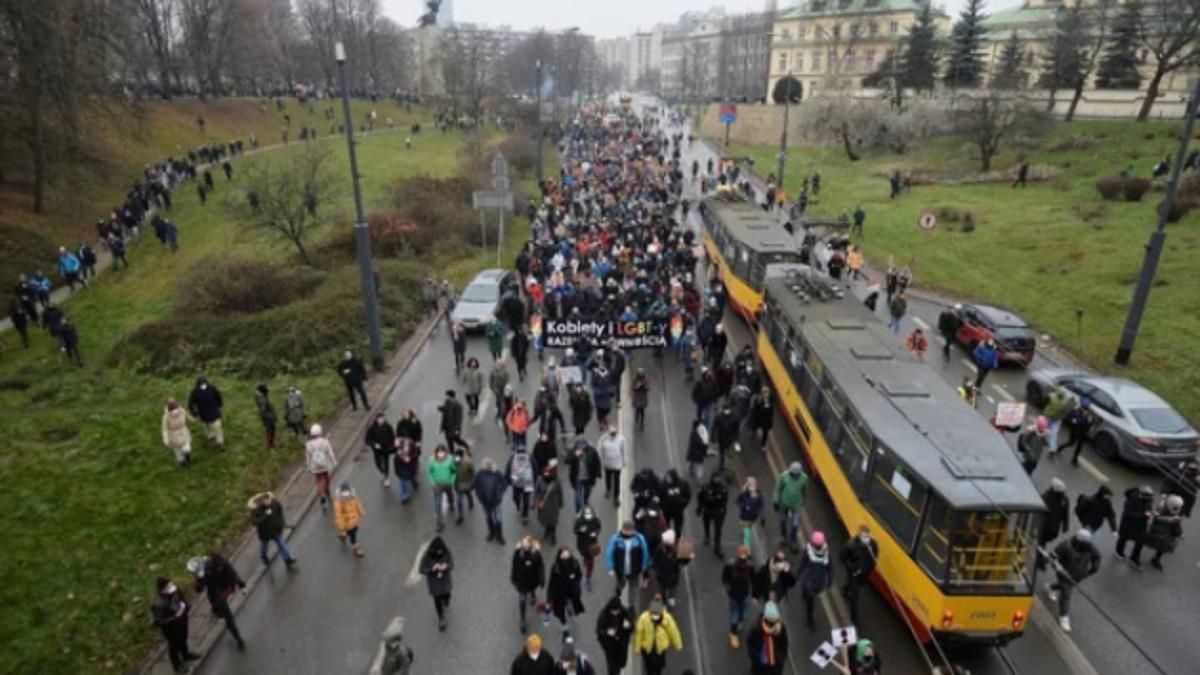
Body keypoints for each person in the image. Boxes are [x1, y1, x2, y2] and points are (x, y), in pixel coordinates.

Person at [1045, 529, 1100, 632]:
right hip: (1064, 574)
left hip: (1079, 575)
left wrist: (1093, 569)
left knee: (1066, 586)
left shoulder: (1089, 546)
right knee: (1066, 593)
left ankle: (1051, 587)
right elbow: (1052, 557)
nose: (1088, 546)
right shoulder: (1065, 546)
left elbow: (1097, 556)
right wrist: (1055, 566)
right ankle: (1064, 616)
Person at [190, 553, 246, 650]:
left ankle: (237, 637)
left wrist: (239, 581)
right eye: (219, 568)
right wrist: (198, 578)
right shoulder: (206, 571)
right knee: (225, 614)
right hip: (216, 595)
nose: (220, 569)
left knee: (227, 617)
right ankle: (237, 636)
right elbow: (199, 589)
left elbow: (232, 572)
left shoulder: (222, 563)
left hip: (224, 590)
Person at [150, 577, 199, 672]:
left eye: (171, 584)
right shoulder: (158, 604)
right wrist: (174, 618)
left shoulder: (175, 592)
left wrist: (186, 607)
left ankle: (186, 655)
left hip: (182, 622)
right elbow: (159, 622)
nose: (172, 587)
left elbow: (182, 599)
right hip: (171, 629)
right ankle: (177, 666)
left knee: (184, 638)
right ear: (162, 589)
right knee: (174, 647)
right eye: (168, 586)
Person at [633, 595, 683, 675]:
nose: (655, 616)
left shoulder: (667, 619)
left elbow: (673, 632)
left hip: (661, 647)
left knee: (660, 665)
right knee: (648, 665)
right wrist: (637, 647)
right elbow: (639, 633)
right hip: (647, 647)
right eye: (653, 614)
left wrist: (678, 644)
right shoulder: (644, 618)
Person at [839, 525, 878, 625]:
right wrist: (852, 568)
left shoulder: (872, 544)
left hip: (865, 573)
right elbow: (843, 557)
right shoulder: (851, 545)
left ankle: (844, 590)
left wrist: (871, 567)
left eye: (867, 536)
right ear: (859, 536)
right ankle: (854, 618)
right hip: (854, 574)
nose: (866, 538)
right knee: (855, 596)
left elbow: (875, 554)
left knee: (853, 585)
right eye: (864, 536)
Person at [248, 491, 297, 567]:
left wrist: (281, 522)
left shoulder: (274, 503)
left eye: (268, 500)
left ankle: (288, 559)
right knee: (264, 545)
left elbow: (280, 510)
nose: (268, 502)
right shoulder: (256, 511)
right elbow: (255, 522)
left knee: (282, 544)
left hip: (276, 529)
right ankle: (263, 556)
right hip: (265, 533)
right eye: (266, 501)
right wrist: (265, 515)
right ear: (262, 501)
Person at [512, 535, 548, 634]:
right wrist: (513, 578)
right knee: (522, 599)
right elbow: (514, 565)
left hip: (532, 579)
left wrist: (542, 579)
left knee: (532, 589)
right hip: (522, 581)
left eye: (526, 544)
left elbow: (541, 567)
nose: (524, 546)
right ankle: (523, 619)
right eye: (523, 544)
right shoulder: (518, 553)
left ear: (531, 545)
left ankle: (532, 594)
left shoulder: (536, 554)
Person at [799, 530, 833, 630]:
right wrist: (797, 575)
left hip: (819, 581)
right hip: (810, 581)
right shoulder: (808, 551)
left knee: (811, 597)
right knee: (810, 602)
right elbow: (803, 563)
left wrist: (830, 579)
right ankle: (810, 619)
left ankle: (805, 594)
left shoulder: (826, 553)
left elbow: (829, 566)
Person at [722, 545, 755, 648]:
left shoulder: (749, 566)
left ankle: (738, 624)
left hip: (743, 594)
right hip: (735, 594)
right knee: (735, 616)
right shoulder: (731, 565)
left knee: (741, 614)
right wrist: (728, 588)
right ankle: (733, 634)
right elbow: (725, 578)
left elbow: (753, 580)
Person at [419, 536, 455, 631]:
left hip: (445, 581)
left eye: (441, 552)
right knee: (437, 600)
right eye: (437, 552)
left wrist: (446, 566)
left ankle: (446, 599)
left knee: (447, 595)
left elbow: (452, 565)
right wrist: (432, 569)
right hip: (434, 583)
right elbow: (421, 570)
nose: (439, 554)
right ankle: (441, 618)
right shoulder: (427, 555)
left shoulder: (447, 551)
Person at [1116, 485, 1156, 569]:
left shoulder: (1147, 500)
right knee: (1123, 538)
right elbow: (1129, 513)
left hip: (1140, 525)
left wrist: (1151, 512)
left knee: (1140, 541)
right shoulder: (1131, 499)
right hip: (1128, 524)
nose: (1149, 501)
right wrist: (1143, 514)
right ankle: (1119, 552)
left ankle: (1134, 558)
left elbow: (1149, 508)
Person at [548, 546, 586, 633]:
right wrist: (549, 597)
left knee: (571, 603)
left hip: (571, 591)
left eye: (567, 554)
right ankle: (565, 629)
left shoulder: (575, 564)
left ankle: (569, 609)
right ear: (559, 555)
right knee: (560, 614)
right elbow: (552, 582)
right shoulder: (556, 567)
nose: (565, 556)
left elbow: (579, 575)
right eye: (563, 555)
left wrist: (575, 583)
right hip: (559, 593)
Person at [605, 520, 650, 594]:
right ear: (623, 529)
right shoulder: (616, 539)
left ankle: (632, 602)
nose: (628, 533)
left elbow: (645, 553)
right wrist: (610, 568)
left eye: (629, 531)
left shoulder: (639, 539)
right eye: (626, 530)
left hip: (635, 570)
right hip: (620, 570)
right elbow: (609, 553)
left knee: (634, 587)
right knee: (620, 583)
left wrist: (644, 567)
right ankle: (619, 591)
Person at [746, 600, 789, 675]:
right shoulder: (757, 628)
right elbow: (750, 643)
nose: (774, 623)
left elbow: (784, 644)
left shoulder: (781, 628)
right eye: (771, 620)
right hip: (760, 664)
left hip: (775, 665)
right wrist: (755, 657)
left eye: (775, 620)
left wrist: (781, 658)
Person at [1144, 494, 1185, 570]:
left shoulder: (1174, 514)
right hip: (1160, 532)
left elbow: (1177, 525)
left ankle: (1157, 558)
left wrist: (1180, 533)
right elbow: (1156, 517)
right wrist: (1169, 520)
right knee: (1159, 545)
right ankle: (1156, 558)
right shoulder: (1162, 509)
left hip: (1166, 534)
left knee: (1163, 547)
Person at [774, 462, 809, 552]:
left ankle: (792, 540)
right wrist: (776, 501)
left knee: (795, 524)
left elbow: (804, 490)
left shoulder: (804, 478)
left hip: (796, 505)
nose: (790, 472)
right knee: (783, 521)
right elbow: (778, 489)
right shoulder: (784, 476)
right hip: (784, 503)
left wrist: (802, 501)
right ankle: (783, 536)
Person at [1037, 478, 1071, 569]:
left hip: (1046, 527)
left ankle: (1040, 559)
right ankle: (1040, 560)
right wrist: (1065, 526)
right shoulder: (1064, 500)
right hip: (1051, 528)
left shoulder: (1046, 497)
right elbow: (1065, 514)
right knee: (1042, 543)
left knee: (1042, 543)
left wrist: (1065, 526)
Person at [596, 596, 634, 675]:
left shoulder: (624, 613)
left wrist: (629, 625)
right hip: (610, 647)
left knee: (621, 663)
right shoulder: (604, 616)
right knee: (612, 668)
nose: (616, 613)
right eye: (614, 611)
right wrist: (607, 633)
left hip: (621, 645)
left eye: (617, 611)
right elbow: (599, 633)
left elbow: (631, 627)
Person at [474, 457, 508, 544]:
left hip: (495, 501)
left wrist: (499, 493)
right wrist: (480, 497)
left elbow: (504, 484)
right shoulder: (479, 474)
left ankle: (498, 535)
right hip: (486, 502)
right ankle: (492, 533)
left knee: (497, 518)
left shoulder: (497, 473)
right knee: (489, 517)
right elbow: (477, 487)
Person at [305, 424, 337, 512]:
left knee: (318, 480)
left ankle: (321, 493)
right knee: (326, 478)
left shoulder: (308, 444)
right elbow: (330, 452)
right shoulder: (325, 441)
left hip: (315, 466)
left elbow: (308, 456)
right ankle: (327, 491)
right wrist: (333, 461)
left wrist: (308, 466)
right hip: (325, 464)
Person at [697, 473, 730, 557]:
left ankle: (717, 547)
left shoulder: (723, 488)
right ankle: (707, 536)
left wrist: (722, 510)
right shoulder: (706, 487)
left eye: (718, 478)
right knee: (706, 524)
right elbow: (700, 497)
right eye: (715, 478)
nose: (717, 480)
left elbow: (725, 500)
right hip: (708, 509)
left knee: (718, 529)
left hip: (718, 511)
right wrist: (700, 508)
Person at [187, 376, 225, 448]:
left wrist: (194, 413)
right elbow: (219, 397)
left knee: (207, 425)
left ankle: (210, 435)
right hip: (215, 413)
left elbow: (190, 404)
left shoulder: (195, 392)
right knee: (218, 428)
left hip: (203, 414)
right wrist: (220, 405)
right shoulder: (212, 388)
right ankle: (220, 441)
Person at [567, 437, 602, 513]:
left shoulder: (592, 451)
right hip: (577, 478)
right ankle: (578, 513)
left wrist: (598, 473)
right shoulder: (573, 451)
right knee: (578, 500)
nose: (580, 448)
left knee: (587, 492)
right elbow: (566, 460)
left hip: (589, 478)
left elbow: (597, 462)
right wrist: (575, 456)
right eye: (578, 446)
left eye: (582, 446)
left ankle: (585, 500)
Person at [428, 444, 458, 532]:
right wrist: (432, 482)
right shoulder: (431, 460)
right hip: (437, 485)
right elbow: (430, 472)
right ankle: (439, 523)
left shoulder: (450, 459)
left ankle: (451, 503)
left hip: (448, 484)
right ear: (436, 452)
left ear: (445, 452)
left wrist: (452, 480)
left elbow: (454, 471)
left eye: (442, 452)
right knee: (437, 505)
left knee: (450, 495)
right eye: (439, 452)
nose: (440, 454)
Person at [334, 481, 366, 557]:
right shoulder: (339, 502)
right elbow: (338, 514)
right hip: (346, 522)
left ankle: (343, 534)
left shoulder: (353, 496)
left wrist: (361, 511)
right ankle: (356, 548)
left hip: (354, 520)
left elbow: (358, 504)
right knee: (353, 534)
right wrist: (341, 525)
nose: (346, 497)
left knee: (354, 529)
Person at [575, 505, 603, 591]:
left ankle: (588, 578)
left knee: (590, 562)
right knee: (585, 555)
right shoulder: (579, 520)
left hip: (591, 544)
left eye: (589, 513)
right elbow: (575, 530)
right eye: (586, 513)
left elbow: (599, 528)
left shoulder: (595, 520)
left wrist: (595, 533)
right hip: (582, 544)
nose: (588, 515)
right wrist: (580, 530)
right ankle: (585, 558)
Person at [365, 413, 397, 487]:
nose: (382, 420)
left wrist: (393, 445)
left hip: (386, 449)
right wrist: (374, 444)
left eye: (383, 419)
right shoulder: (372, 428)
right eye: (380, 419)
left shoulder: (388, 426)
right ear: (377, 419)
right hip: (377, 451)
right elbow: (367, 440)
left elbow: (392, 436)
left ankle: (386, 478)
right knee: (378, 464)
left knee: (386, 464)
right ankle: (382, 472)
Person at [537, 460, 565, 545]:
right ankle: (547, 530)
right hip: (543, 502)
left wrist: (561, 502)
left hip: (553, 503)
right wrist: (535, 502)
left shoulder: (557, 481)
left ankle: (553, 535)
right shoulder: (540, 479)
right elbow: (536, 490)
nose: (546, 474)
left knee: (553, 520)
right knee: (545, 519)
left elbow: (560, 492)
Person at [508, 444, 538, 524]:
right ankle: (525, 516)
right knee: (526, 500)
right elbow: (535, 469)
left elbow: (508, 469)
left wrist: (508, 480)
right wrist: (535, 481)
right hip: (527, 482)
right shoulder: (530, 457)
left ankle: (518, 505)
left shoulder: (513, 458)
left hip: (516, 482)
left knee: (515, 497)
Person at [161, 397, 195, 467]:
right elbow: (164, 429)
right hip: (173, 436)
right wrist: (166, 439)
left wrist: (192, 419)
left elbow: (187, 416)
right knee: (178, 451)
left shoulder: (182, 411)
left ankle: (187, 457)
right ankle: (182, 463)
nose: (175, 412)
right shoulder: (166, 417)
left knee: (187, 448)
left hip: (183, 432)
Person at [598, 424, 627, 504]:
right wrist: (600, 461)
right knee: (608, 477)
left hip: (617, 464)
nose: (613, 434)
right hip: (607, 463)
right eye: (612, 433)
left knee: (617, 481)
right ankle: (608, 489)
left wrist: (624, 461)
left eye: (614, 433)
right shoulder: (603, 439)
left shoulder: (621, 439)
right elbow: (599, 450)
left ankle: (616, 497)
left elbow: (623, 450)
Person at [736, 477, 765, 550]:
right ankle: (747, 551)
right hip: (744, 517)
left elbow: (761, 505)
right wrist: (744, 506)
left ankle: (744, 536)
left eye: (753, 484)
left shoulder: (758, 494)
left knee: (747, 532)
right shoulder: (743, 493)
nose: (752, 486)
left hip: (753, 517)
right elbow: (738, 501)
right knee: (747, 535)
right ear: (747, 485)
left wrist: (762, 517)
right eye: (750, 484)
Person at [1042, 387, 1072, 456]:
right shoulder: (1066, 400)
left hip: (1048, 416)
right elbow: (1068, 409)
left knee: (1045, 429)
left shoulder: (1051, 396)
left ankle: (1043, 438)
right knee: (1054, 434)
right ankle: (1052, 449)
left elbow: (1045, 401)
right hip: (1057, 418)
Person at [1065, 398, 1096, 466]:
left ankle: (1074, 460)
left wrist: (1079, 421)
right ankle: (1060, 448)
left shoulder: (1089, 413)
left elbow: (1090, 422)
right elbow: (1069, 417)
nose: (1085, 408)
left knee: (1079, 447)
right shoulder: (1077, 410)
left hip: (1083, 432)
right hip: (1075, 431)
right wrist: (1075, 420)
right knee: (1071, 443)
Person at [660, 469, 691, 536]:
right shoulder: (663, 484)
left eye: (669, 477)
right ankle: (668, 542)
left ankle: (677, 540)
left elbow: (687, 495)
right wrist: (662, 506)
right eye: (667, 477)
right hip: (667, 510)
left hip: (678, 511)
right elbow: (659, 495)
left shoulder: (682, 483)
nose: (667, 479)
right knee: (666, 528)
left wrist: (682, 503)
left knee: (678, 528)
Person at [439, 389, 471, 454]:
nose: (445, 397)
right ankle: (452, 453)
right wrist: (441, 408)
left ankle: (466, 447)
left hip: (453, 427)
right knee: (449, 441)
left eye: (446, 395)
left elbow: (459, 418)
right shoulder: (447, 402)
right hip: (447, 426)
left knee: (457, 440)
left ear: (450, 396)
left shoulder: (457, 405)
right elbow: (446, 410)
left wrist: (457, 429)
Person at [454, 451, 476, 525]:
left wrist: (472, 483)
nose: (456, 458)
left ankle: (471, 502)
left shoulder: (468, 462)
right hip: (458, 484)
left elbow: (473, 473)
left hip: (466, 483)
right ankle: (460, 516)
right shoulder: (454, 462)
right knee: (459, 500)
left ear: (462, 456)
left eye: (457, 456)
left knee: (468, 493)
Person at [254, 384, 278, 450]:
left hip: (269, 415)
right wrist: (271, 416)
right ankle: (269, 446)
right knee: (270, 431)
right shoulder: (261, 398)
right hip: (268, 417)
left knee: (272, 430)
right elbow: (263, 410)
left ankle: (272, 444)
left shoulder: (263, 396)